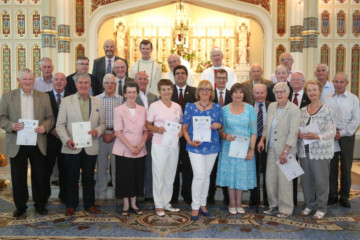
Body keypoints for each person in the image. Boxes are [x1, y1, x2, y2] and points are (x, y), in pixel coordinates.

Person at [0, 68, 54, 219]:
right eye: (25, 79)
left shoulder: (43, 97)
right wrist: (11, 126)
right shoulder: (7, 97)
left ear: (34, 80)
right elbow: (1, 118)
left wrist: (45, 127)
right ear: (19, 81)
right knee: (18, 177)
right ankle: (20, 207)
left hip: (38, 141)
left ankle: (40, 205)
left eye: (30, 79)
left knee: (40, 176)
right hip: (17, 142)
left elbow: (50, 118)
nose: (28, 82)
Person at [56, 73, 106, 216]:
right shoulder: (66, 101)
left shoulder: (97, 102)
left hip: (90, 146)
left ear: (90, 85)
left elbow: (103, 124)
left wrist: (97, 131)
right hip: (72, 146)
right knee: (71, 177)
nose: (83, 85)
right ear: (76, 85)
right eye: (81, 83)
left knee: (89, 177)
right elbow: (60, 125)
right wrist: (67, 140)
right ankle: (71, 205)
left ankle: (89, 204)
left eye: (86, 82)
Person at [258, 82, 300, 218]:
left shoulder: (294, 109)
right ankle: (273, 205)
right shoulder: (271, 106)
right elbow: (266, 126)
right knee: (270, 180)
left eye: (282, 91)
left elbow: (293, 132)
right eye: (277, 92)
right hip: (271, 149)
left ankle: (286, 209)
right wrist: (262, 140)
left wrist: (286, 151)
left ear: (288, 93)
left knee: (285, 181)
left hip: (286, 151)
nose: (279, 94)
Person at [182, 80, 223, 220]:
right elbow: (184, 128)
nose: (205, 92)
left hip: (212, 147)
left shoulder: (217, 107)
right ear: (198, 92)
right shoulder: (190, 107)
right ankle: (195, 206)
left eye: (208, 89)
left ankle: (203, 204)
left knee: (206, 176)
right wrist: (189, 141)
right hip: (195, 147)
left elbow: (222, 127)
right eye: (202, 89)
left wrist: (218, 125)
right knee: (199, 175)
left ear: (211, 92)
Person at [216, 83, 257, 214]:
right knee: (230, 175)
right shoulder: (224, 109)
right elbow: (220, 131)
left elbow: (254, 131)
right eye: (235, 92)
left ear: (244, 94)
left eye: (241, 92)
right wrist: (224, 135)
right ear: (231, 94)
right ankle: (232, 203)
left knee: (241, 175)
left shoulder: (250, 109)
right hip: (228, 148)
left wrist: (252, 149)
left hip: (245, 148)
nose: (238, 95)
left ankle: (239, 202)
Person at [298, 80, 336, 219]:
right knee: (306, 181)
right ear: (306, 92)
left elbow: (331, 132)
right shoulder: (302, 111)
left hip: (320, 151)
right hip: (304, 151)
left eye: (314, 90)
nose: (312, 93)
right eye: (309, 90)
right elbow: (298, 128)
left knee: (321, 181)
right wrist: (299, 133)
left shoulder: (327, 111)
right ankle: (309, 205)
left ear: (319, 91)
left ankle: (321, 207)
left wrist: (317, 136)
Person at [146, 79, 183, 217]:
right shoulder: (154, 106)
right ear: (159, 91)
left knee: (170, 174)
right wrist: (157, 129)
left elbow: (181, 124)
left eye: (169, 89)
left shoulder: (177, 106)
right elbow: (148, 125)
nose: (166, 92)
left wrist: (180, 132)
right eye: (163, 90)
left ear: (172, 90)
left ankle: (167, 203)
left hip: (173, 145)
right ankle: (158, 205)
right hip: (159, 144)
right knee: (159, 174)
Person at [324, 72, 360, 208]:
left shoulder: (353, 99)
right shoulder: (327, 98)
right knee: (331, 167)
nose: (338, 85)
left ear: (347, 83)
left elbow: (356, 119)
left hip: (346, 137)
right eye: (336, 82)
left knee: (345, 167)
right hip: (331, 136)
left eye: (341, 82)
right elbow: (325, 117)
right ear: (333, 82)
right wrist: (332, 132)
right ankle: (332, 195)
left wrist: (341, 133)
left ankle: (344, 196)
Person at [113, 81, 148, 216]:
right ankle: (126, 204)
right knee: (125, 177)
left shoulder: (143, 109)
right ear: (124, 94)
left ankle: (134, 203)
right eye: (129, 92)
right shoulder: (118, 110)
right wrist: (130, 147)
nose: (132, 94)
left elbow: (146, 130)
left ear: (137, 93)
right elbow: (117, 131)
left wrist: (141, 145)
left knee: (137, 177)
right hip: (124, 149)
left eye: (134, 92)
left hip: (139, 149)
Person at [95, 74, 123, 204]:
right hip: (100, 136)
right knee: (101, 167)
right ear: (103, 84)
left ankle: (118, 194)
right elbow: (93, 120)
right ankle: (101, 195)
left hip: (117, 137)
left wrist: (113, 135)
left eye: (112, 83)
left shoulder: (122, 100)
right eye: (107, 83)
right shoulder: (96, 99)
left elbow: (124, 121)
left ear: (116, 85)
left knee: (117, 167)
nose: (110, 85)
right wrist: (102, 133)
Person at [170, 65, 197, 204]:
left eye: (183, 73)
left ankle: (187, 194)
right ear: (174, 76)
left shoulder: (194, 92)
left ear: (187, 76)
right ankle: (172, 195)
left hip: (189, 136)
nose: (180, 76)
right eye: (177, 73)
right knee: (173, 166)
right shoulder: (169, 91)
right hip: (173, 136)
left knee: (188, 166)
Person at [45, 73, 71, 204]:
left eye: (62, 80)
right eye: (56, 79)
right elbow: (41, 116)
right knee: (46, 170)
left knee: (65, 170)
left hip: (66, 139)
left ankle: (65, 197)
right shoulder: (45, 96)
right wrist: (51, 129)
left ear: (66, 82)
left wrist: (62, 131)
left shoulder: (72, 96)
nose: (59, 82)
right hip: (49, 139)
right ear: (52, 82)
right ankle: (44, 198)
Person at [208, 69, 231, 205]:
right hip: (212, 138)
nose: (221, 80)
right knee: (212, 169)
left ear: (227, 79)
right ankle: (209, 197)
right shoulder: (209, 96)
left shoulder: (232, 95)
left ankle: (227, 198)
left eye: (224, 78)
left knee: (226, 168)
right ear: (215, 79)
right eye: (219, 78)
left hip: (228, 138)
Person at [134, 71, 158, 202]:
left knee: (150, 165)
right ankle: (137, 193)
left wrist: (150, 131)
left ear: (148, 81)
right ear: (135, 80)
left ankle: (149, 193)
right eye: (140, 79)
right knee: (136, 166)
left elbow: (157, 116)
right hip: (136, 136)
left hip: (151, 136)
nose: (142, 81)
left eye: (145, 79)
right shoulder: (130, 96)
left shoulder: (154, 97)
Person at [289, 71, 310, 206]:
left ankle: (309, 200)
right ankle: (292, 199)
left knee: (306, 170)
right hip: (289, 140)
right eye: (293, 80)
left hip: (305, 139)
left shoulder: (309, 97)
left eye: (299, 80)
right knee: (291, 169)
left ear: (303, 82)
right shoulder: (285, 96)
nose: (296, 82)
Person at [249, 84, 270, 210]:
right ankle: (254, 200)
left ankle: (268, 200)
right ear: (253, 94)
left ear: (266, 93)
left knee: (268, 172)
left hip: (268, 142)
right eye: (257, 93)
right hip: (253, 141)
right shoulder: (248, 107)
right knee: (253, 171)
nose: (260, 95)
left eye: (262, 92)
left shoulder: (272, 105)